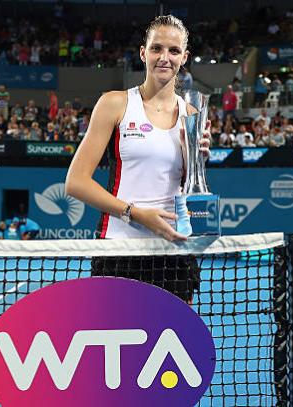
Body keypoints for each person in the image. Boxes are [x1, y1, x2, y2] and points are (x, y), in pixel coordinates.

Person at [65, 15, 211, 303]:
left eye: (173, 50)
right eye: (156, 48)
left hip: (173, 254)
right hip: (120, 249)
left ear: (184, 57)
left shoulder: (193, 115)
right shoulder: (114, 103)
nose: (164, 57)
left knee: (174, 346)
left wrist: (198, 161)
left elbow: (191, 191)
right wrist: (137, 214)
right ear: (143, 53)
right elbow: (76, 183)